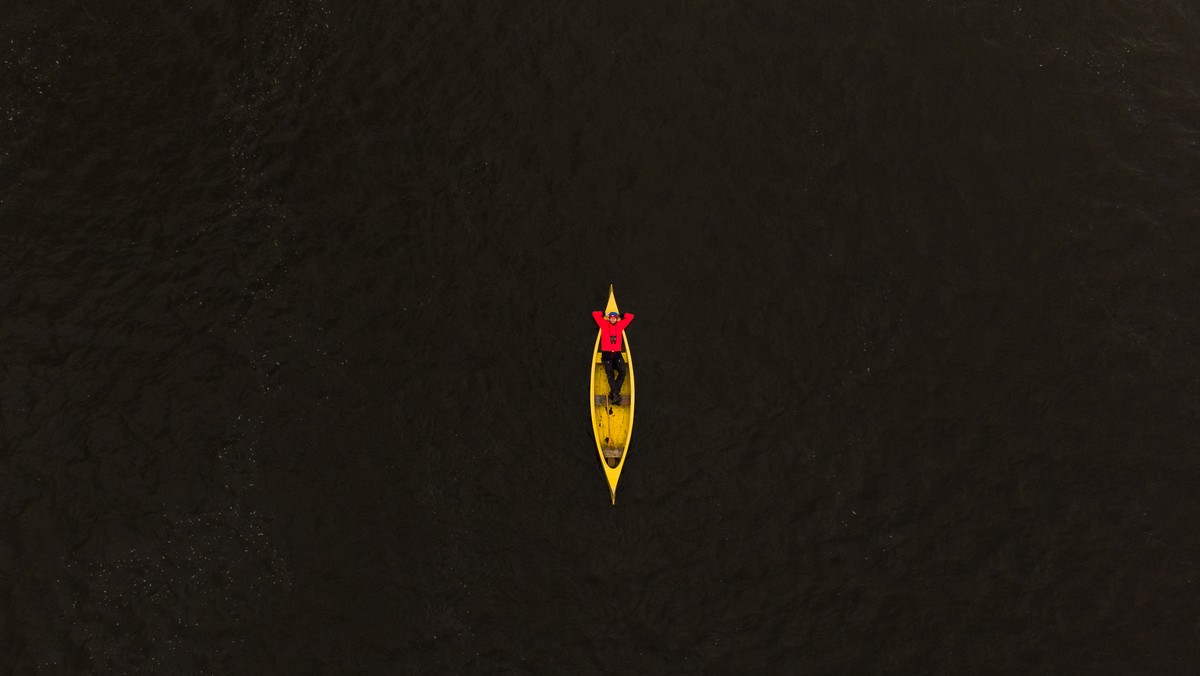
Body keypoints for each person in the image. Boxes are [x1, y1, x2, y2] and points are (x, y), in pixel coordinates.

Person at [592, 309, 634, 405]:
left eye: (615, 318)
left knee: (623, 372)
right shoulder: (604, 324)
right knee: (610, 375)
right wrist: (604, 314)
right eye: (611, 318)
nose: (613, 319)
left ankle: (614, 393)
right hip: (606, 355)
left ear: (617, 319)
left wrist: (621, 315)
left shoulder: (620, 325)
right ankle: (615, 394)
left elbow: (631, 316)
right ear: (609, 318)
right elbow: (594, 314)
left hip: (617, 354)